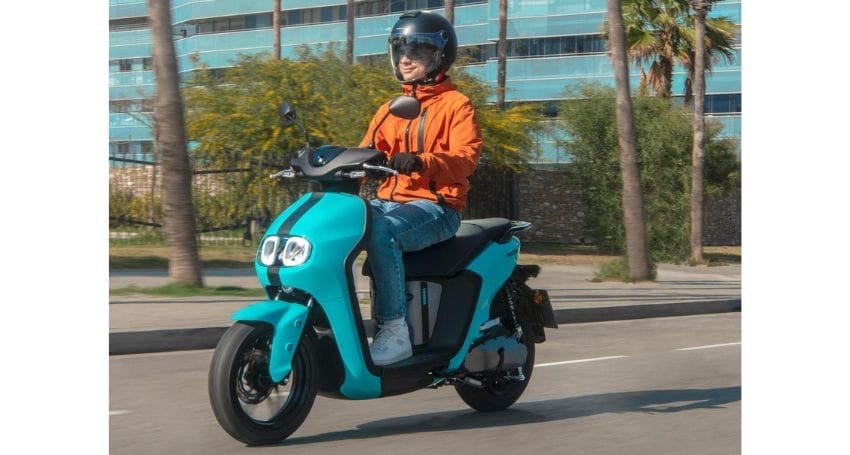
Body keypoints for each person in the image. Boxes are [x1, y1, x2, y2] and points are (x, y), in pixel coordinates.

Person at [359, 10, 483, 366]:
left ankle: (395, 330)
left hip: (437, 207)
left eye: (417, 51)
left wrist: (422, 160)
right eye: (401, 51)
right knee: (339, 223)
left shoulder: (456, 105)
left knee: (382, 234)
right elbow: (366, 151)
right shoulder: (389, 108)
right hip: (389, 202)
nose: (406, 59)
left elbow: (466, 157)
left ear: (439, 57)